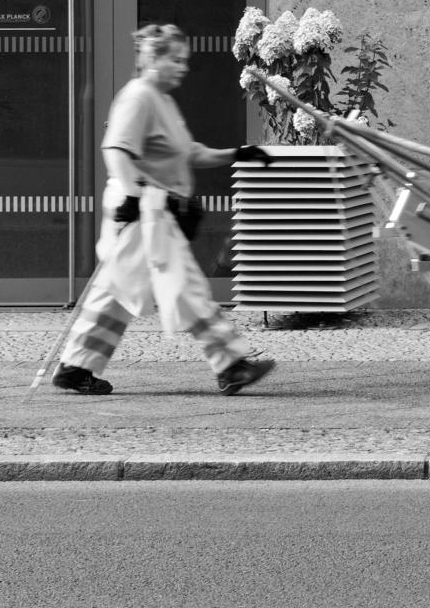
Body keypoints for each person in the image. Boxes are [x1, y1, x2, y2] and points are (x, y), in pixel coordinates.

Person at [51, 23, 276, 395]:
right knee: (184, 286)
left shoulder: (162, 100)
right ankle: (231, 364)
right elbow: (116, 148)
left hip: (150, 209)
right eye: (175, 59)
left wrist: (236, 154)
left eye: (184, 60)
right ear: (153, 59)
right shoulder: (138, 97)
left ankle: (76, 366)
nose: (183, 67)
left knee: (117, 293)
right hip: (145, 208)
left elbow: (189, 152)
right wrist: (131, 195)